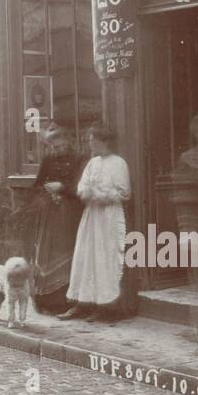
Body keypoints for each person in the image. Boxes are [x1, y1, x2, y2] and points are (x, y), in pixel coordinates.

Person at [59, 124, 131, 322]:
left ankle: (104, 306)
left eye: (92, 140)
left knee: (104, 258)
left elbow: (124, 193)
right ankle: (81, 303)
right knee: (85, 257)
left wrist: (99, 194)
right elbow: (82, 186)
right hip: (91, 215)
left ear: (104, 141)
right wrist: (85, 191)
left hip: (108, 216)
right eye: (89, 140)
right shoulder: (92, 163)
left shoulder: (118, 163)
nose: (89, 143)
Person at [30, 125, 83, 314]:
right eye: (53, 147)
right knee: (46, 253)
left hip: (70, 214)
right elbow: (38, 183)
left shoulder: (79, 159)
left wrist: (62, 187)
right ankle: (45, 300)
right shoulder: (48, 158)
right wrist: (45, 191)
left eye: (59, 147)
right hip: (50, 214)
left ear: (68, 142)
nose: (56, 151)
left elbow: (81, 187)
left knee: (67, 253)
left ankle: (65, 302)